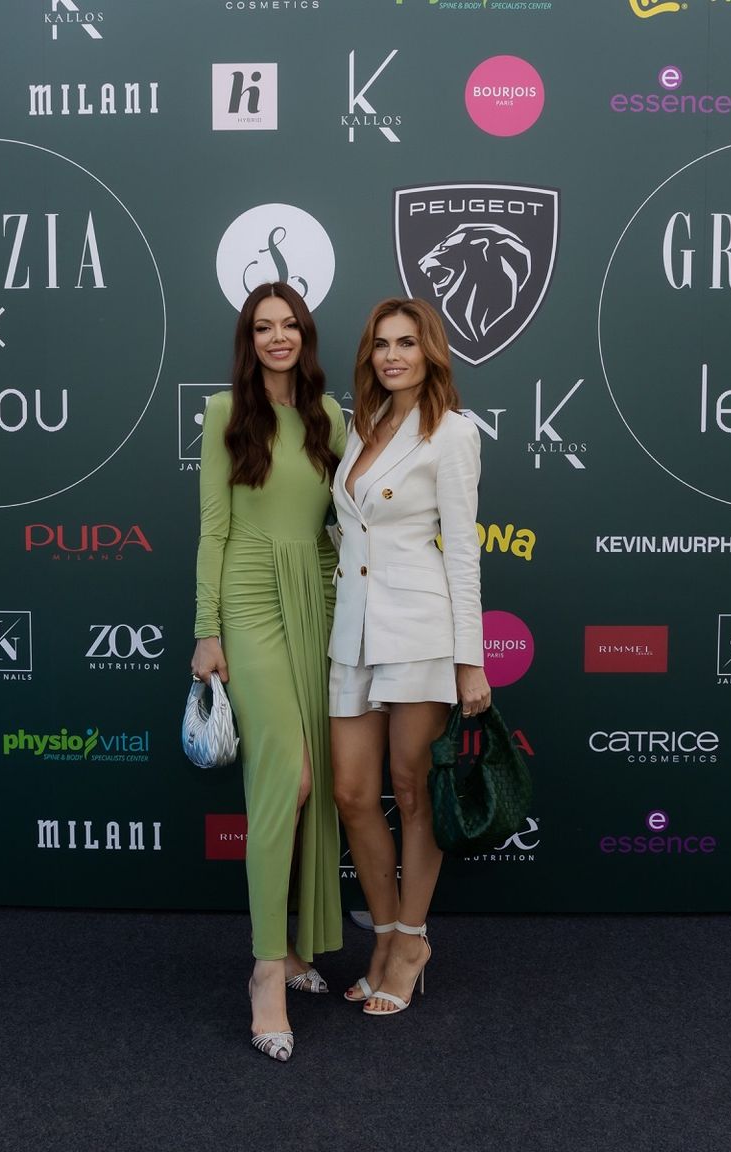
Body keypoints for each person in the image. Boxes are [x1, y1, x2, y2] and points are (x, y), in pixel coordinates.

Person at [191, 281, 348, 1062]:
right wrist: (206, 631)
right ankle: (264, 971)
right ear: (248, 340)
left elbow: (342, 524)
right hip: (250, 600)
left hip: (316, 601)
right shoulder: (225, 414)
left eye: (288, 325)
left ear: (304, 336)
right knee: (286, 779)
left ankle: (291, 949)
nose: (277, 337)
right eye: (263, 327)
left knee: (313, 780)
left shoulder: (331, 419)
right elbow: (212, 530)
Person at [328, 297, 490, 1017]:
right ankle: (387, 936)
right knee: (353, 793)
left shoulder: (452, 431)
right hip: (353, 632)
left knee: (412, 788)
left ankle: (410, 943)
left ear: (430, 353)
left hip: (420, 629)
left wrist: (470, 659)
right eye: (381, 344)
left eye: (406, 343)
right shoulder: (361, 425)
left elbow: (462, 549)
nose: (392, 355)